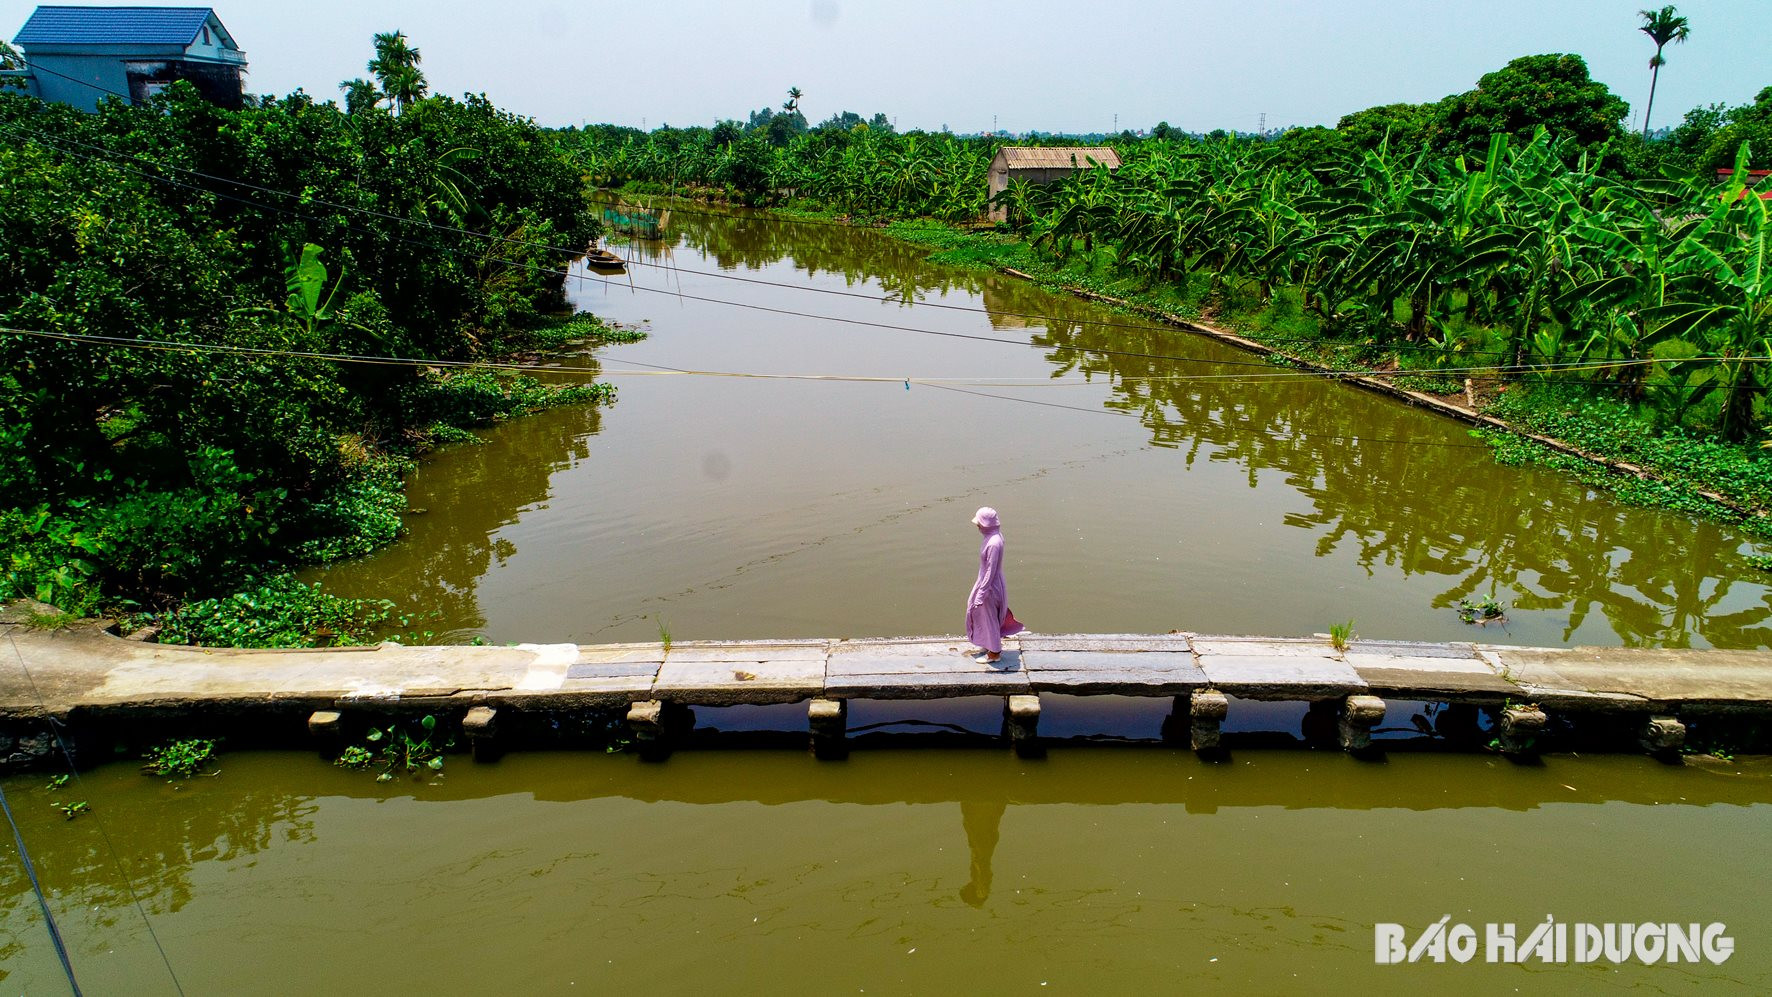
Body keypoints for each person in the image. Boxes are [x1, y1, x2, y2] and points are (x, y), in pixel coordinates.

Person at [965, 506, 1024, 663]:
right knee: (983, 615)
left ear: (986, 524)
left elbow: (990, 571)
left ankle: (994, 653)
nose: (978, 526)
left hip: (990, 585)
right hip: (987, 582)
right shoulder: (994, 536)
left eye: (979, 523)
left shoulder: (993, 543)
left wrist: (982, 593)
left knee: (989, 617)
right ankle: (988, 642)